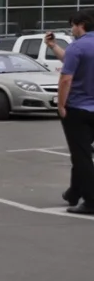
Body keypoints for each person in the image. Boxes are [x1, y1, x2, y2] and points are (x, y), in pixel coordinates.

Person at [45, 13, 94, 214]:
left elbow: (66, 79)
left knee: (81, 156)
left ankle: (91, 201)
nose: (72, 30)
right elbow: (71, 60)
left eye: (72, 25)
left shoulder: (78, 47)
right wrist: (53, 46)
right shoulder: (78, 49)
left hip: (78, 109)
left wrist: (61, 105)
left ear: (81, 25)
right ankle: (74, 192)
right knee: (81, 153)